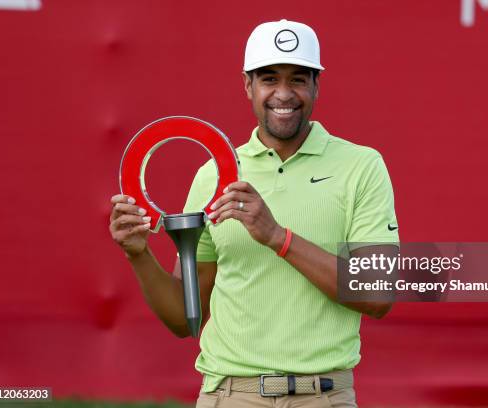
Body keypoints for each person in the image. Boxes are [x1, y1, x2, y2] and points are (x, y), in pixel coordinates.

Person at [109, 19, 399, 408]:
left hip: (323, 396)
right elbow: (183, 317)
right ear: (248, 86)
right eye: (269, 79)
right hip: (231, 395)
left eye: (298, 79)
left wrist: (278, 237)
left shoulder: (361, 166)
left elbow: (377, 294)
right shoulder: (214, 173)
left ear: (316, 86)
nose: (283, 93)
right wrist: (138, 254)